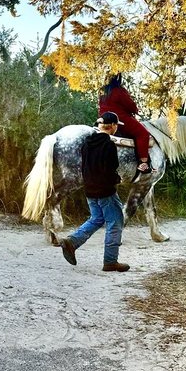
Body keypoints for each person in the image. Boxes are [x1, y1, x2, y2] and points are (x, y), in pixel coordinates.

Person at [59, 112, 130, 272]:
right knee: (115, 222)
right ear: (112, 126)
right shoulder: (109, 145)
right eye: (116, 125)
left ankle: (72, 242)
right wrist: (116, 179)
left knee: (97, 219)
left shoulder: (87, 143)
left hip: (90, 190)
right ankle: (110, 261)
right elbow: (110, 168)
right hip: (105, 191)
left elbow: (86, 168)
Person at [99, 73, 152, 174]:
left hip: (103, 119)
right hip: (119, 119)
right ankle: (143, 163)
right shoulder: (119, 90)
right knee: (143, 134)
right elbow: (131, 106)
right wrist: (135, 109)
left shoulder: (103, 91)